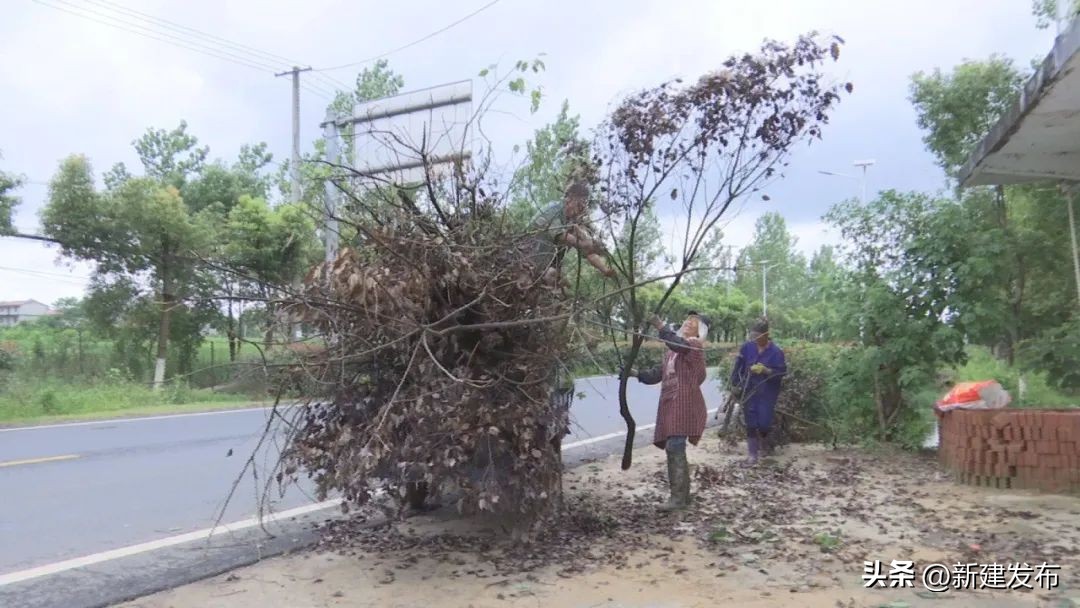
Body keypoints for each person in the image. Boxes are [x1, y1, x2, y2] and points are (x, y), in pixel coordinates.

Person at [625, 311, 710, 511]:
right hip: (672, 404)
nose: (689, 322)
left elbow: (676, 342)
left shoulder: (693, 346)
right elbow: (658, 374)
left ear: (701, 331)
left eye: (695, 322)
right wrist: (635, 374)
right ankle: (681, 497)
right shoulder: (674, 351)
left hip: (685, 405)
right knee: (674, 447)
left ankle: (679, 499)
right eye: (688, 319)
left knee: (675, 446)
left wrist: (660, 326)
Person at [526, 181, 616, 286]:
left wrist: (605, 269)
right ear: (571, 198)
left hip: (541, 268)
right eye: (581, 202)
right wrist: (585, 244)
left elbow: (587, 251)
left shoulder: (572, 222)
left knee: (558, 281)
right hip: (526, 259)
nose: (583, 207)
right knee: (552, 276)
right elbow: (560, 235)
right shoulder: (554, 209)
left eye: (585, 203)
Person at [730, 319, 787, 465]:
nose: (755, 340)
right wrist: (735, 384)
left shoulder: (776, 352)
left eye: (758, 336)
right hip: (750, 389)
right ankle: (752, 455)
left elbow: (781, 373)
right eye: (753, 336)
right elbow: (738, 367)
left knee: (763, 423)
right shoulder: (747, 348)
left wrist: (766, 370)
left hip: (767, 393)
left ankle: (765, 444)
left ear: (766, 335)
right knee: (751, 422)